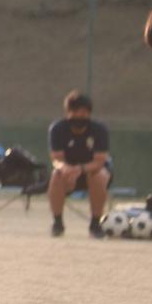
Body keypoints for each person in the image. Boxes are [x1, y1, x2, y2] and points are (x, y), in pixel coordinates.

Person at [47, 91, 111, 238]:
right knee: (56, 175)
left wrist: (79, 169)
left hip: (93, 170)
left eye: (84, 113)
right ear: (68, 112)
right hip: (68, 172)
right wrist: (66, 169)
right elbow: (57, 159)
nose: (79, 117)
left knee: (97, 176)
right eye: (75, 112)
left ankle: (95, 224)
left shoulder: (99, 130)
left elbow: (99, 161)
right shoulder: (57, 129)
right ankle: (57, 223)